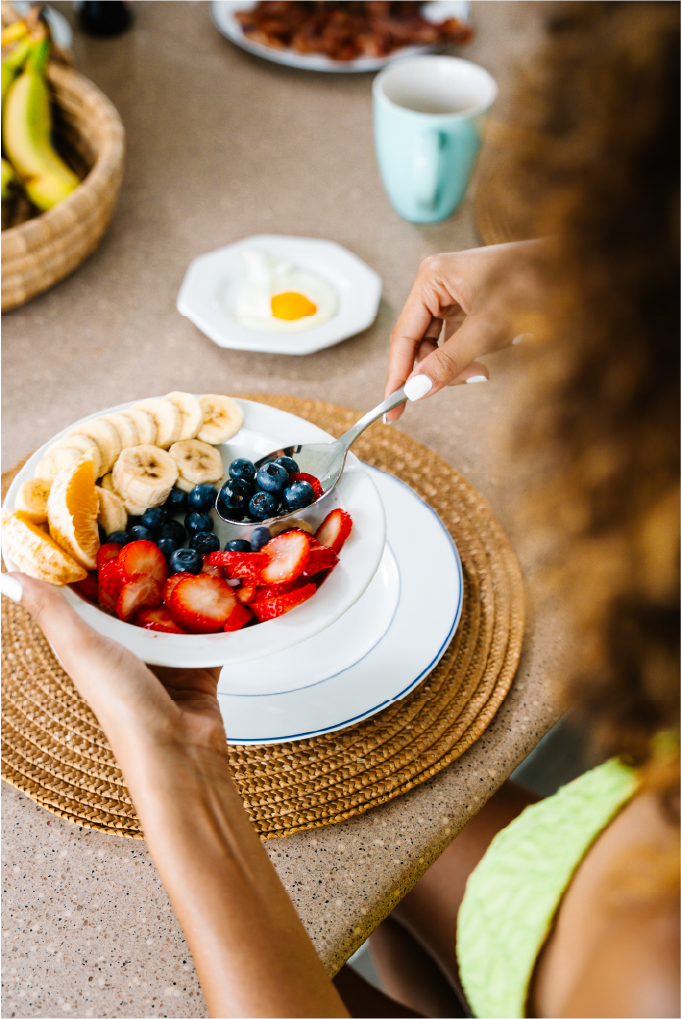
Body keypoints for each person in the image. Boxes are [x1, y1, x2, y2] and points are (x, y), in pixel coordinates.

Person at [2, 0, 680, 1016]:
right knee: (399, 822)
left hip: (589, 907)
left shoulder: (647, 959)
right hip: (573, 857)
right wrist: (568, 276)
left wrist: (175, 762)